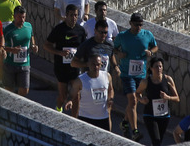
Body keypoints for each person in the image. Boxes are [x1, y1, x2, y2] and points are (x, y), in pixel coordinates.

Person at [116, 12, 158, 140]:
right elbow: (114, 48)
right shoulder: (122, 36)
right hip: (127, 74)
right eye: (136, 24)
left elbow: (156, 47)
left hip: (141, 74)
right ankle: (135, 131)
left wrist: (150, 52)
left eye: (140, 24)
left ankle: (124, 122)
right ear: (130, 23)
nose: (138, 27)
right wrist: (119, 54)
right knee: (133, 100)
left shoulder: (147, 35)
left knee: (134, 100)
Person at [44, 3, 87, 112]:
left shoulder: (80, 31)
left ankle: (75, 121)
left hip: (75, 68)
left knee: (76, 96)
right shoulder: (59, 29)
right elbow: (46, 45)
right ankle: (58, 109)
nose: (74, 18)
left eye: (76, 15)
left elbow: (84, 47)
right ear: (66, 15)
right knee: (63, 97)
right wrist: (59, 53)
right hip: (61, 67)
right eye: (71, 15)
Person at [136, 56, 179, 146]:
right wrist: (141, 99)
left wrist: (168, 97)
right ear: (151, 68)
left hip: (164, 116)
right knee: (156, 141)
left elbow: (177, 98)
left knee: (158, 141)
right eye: (156, 66)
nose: (159, 69)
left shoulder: (167, 80)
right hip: (150, 115)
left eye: (160, 66)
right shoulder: (146, 82)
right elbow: (137, 93)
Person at [64, 54, 113, 131]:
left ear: (101, 65)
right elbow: (72, 93)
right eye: (93, 64)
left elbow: (110, 90)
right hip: (86, 117)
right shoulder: (81, 80)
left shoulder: (107, 76)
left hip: (103, 117)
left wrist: (110, 99)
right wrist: (70, 101)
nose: (96, 67)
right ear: (88, 64)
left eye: (98, 64)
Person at [2, 5, 37, 96]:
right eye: (19, 17)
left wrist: (33, 45)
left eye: (24, 17)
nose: (22, 20)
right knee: (8, 92)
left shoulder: (28, 26)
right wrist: (11, 50)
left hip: (25, 64)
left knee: (25, 91)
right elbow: (1, 46)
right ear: (14, 16)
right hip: (10, 64)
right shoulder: (8, 30)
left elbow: (31, 36)